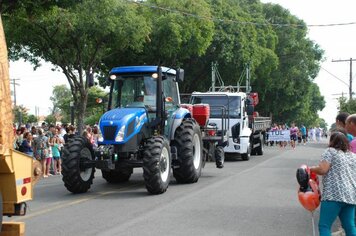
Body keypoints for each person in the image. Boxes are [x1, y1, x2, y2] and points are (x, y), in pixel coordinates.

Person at [310, 131, 356, 236]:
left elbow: (322, 169)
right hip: (351, 196)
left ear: (332, 141)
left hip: (333, 195)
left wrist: (311, 168)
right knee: (349, 226)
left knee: (324, 225)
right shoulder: (353, 156)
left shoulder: (330, 151)